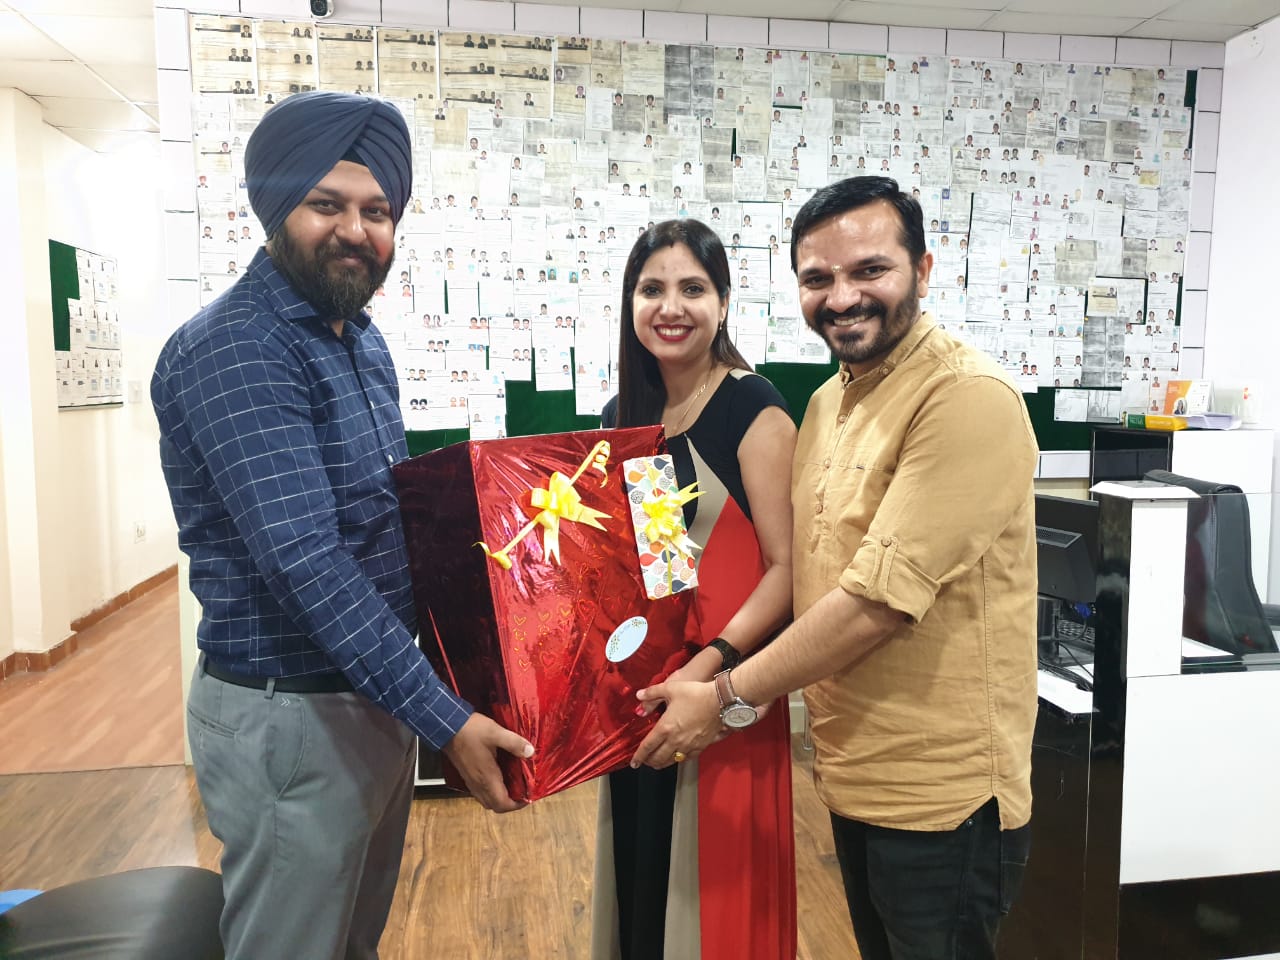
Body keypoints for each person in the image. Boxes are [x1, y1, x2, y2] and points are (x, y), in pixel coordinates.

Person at [151, 91, 533, 960]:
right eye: (327, 204)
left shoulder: (358, 339)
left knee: (349, 943)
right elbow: (307, 562)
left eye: (377, 211)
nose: (355, 231)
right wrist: (444, 717)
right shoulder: (239, 346)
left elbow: (386, 524)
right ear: (277, 206)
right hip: (290, 716)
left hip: (366, 699)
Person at [631, 177, 1038, 960]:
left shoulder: (961, 397)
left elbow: (868, 600)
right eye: (818, 278)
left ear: (923, 269)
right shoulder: (826, 404)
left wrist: (721, 685)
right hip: (842, 765)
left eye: (870, 270)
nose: (842, 296)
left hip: (936, 790)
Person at [591, 219, 798, 960]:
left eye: (692, 288)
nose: (670, 307)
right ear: (630, 303)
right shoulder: (627, 418)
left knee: (710, 903)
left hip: (727, 688)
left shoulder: (753, 407)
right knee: (644, 887)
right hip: (649, 692)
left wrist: (707, 670)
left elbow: (788, 568)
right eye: (652, 289)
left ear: (723, 302)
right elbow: (661, 567)